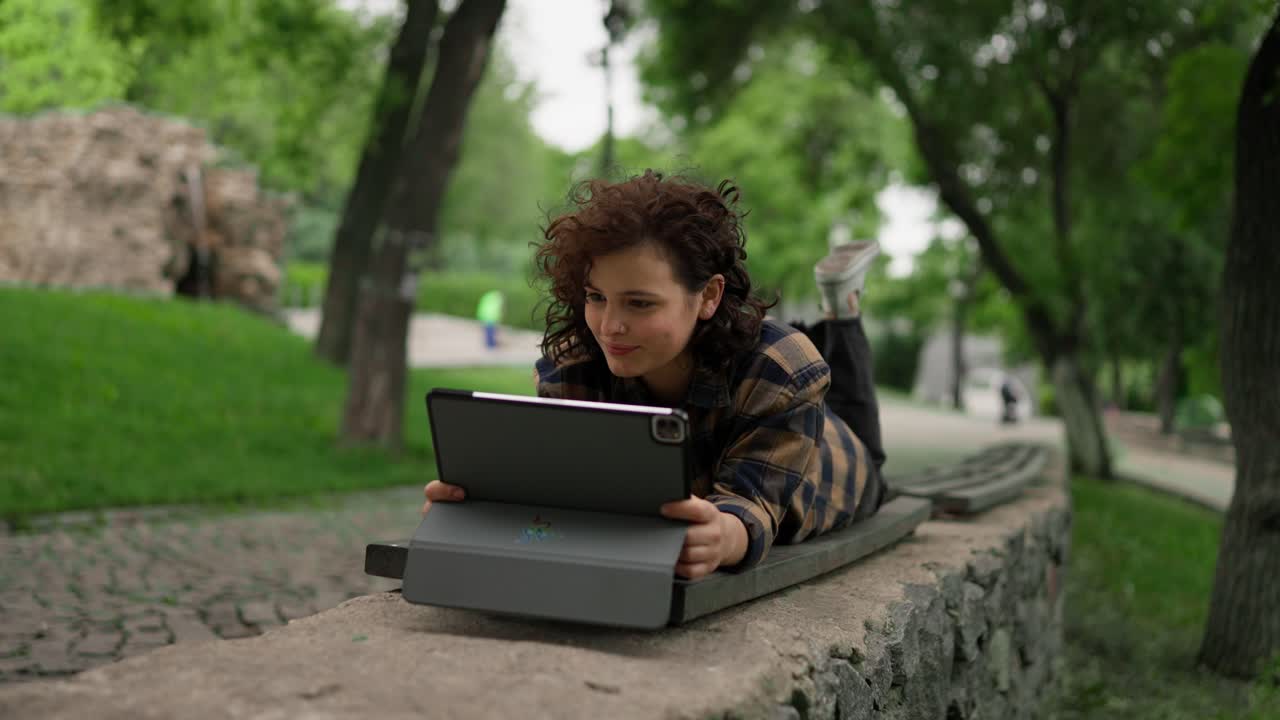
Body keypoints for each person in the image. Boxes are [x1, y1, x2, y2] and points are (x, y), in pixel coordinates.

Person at [422, 171, 889, 580]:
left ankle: (841, 310)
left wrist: (720, 538)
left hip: (836, 465)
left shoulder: (781, 369)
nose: (609, 327)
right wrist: (485, 509)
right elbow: (566, 493)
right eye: (595, 296)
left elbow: (752, 507)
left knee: (857, 424)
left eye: (640, 303)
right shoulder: (574, 366)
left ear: (708, 295)